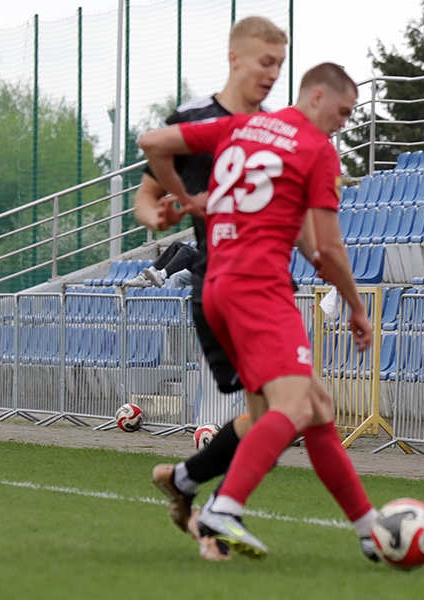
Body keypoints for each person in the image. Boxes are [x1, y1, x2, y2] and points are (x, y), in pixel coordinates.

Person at [139, 62, 379, 561]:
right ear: (316, 96)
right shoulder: (316, 149)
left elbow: (152, 143)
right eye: (342, 111)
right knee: (290, 409)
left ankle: (369, 528)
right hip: (260, 287)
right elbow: (327, 250)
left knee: (315, 410)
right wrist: (356, 306)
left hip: (216, 287)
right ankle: (224, 509)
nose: (343, 123)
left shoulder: (242, 126)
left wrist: (186, 200)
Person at [134, 16, 292, 561]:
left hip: (265, 285)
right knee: (283, 414)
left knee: (274, 423)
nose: (273, 74)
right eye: (264, 62)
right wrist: (156, 211)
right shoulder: (195, 121)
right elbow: (149, 190)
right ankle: (213, 517)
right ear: (235, 58)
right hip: (222, 283)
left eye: (280, 65)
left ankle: (183, 482)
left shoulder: (272, 129)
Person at [124, 240, 199, 288]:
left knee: (186, 251)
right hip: (205, 263)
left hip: (208, 268)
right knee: (176, 245)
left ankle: (160, 276)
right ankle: (145, 278)